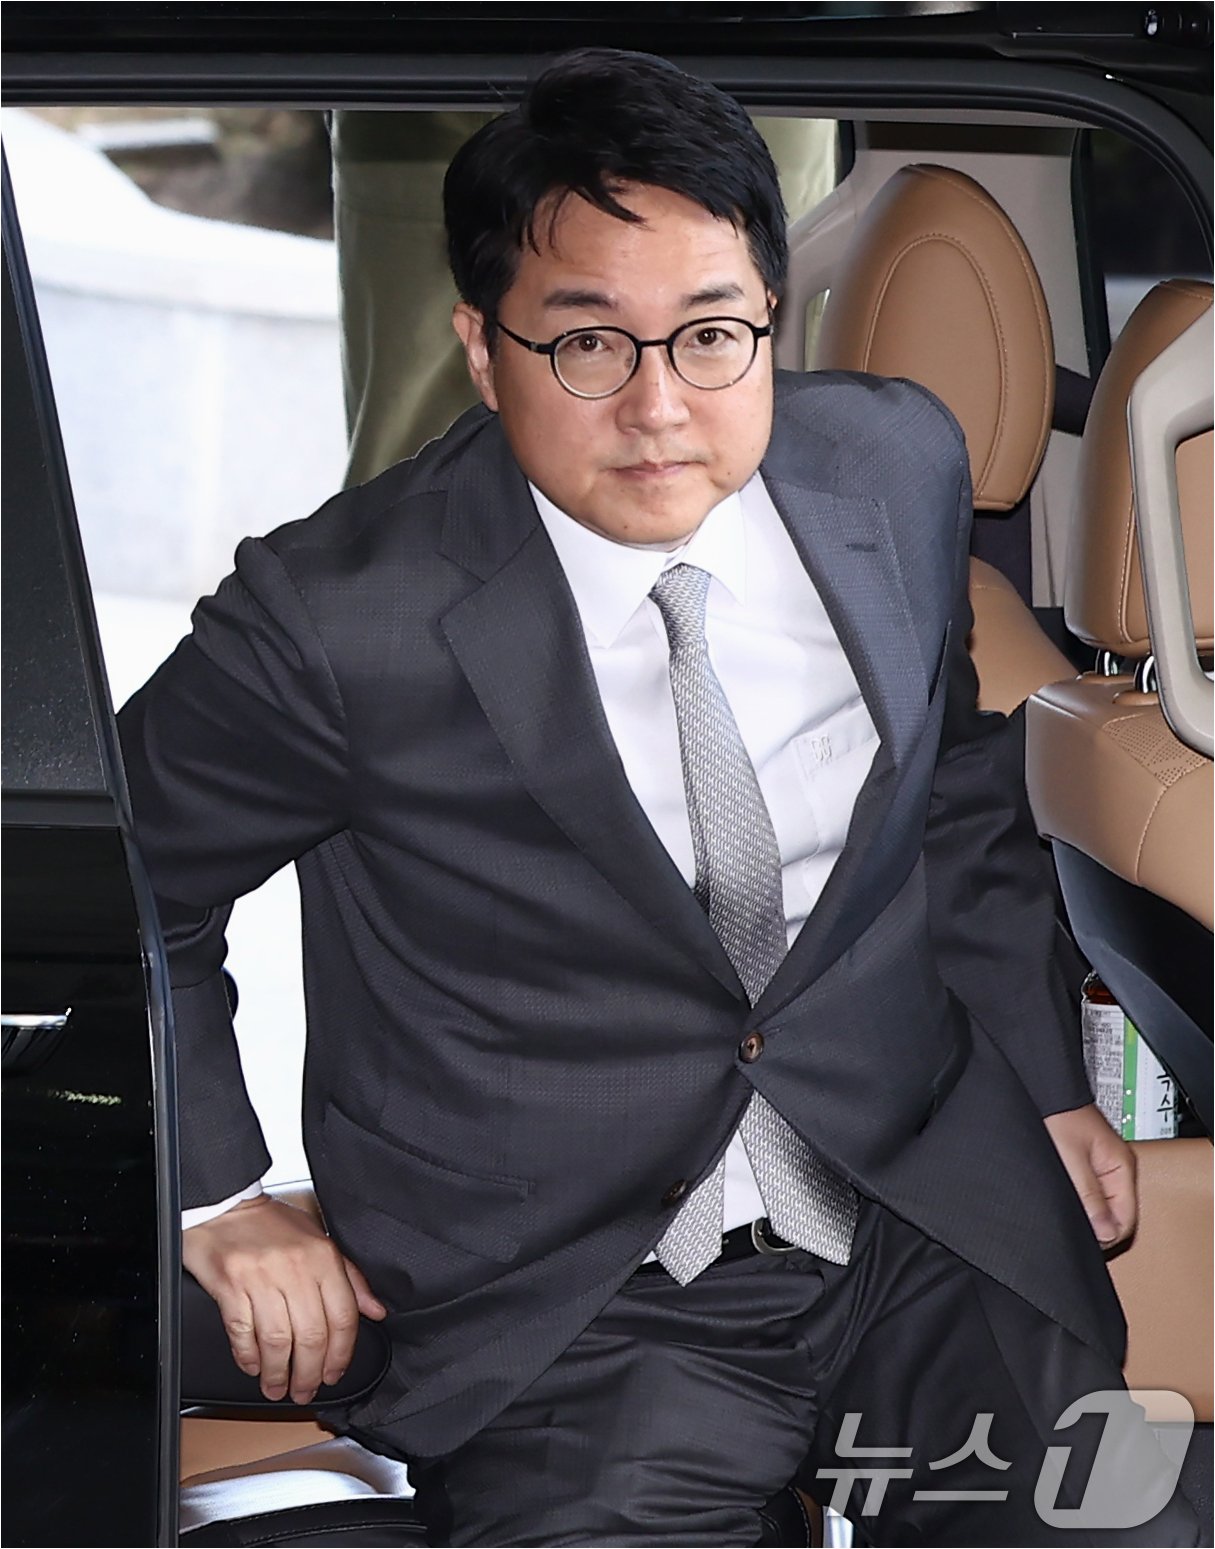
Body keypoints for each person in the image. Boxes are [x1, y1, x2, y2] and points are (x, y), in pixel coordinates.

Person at [118, 49, 1201, 1547]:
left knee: (1115, 1531)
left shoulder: (895, 466)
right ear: (481, 347)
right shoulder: (338, 616)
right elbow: (124, 883)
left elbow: (954, 784)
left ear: (770, 314)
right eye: (586, 345)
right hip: (583, 1307)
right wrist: (219, 1198)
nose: (658, 406)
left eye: (710, 335)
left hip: (920, 1217)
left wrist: (1048, 1079)